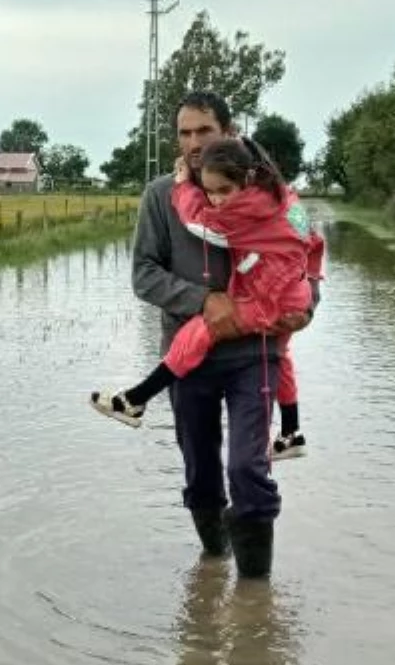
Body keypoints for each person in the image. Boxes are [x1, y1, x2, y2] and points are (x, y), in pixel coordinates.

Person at [122, 90, 321, 579]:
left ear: (228, 133)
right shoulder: (160, 196)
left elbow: (308, 253)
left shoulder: (280, 196)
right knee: (202, 472)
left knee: (247, 468)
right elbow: (144, 274)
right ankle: (213, 569)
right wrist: (204, 301)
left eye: (204, 131)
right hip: (189, 359)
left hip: (257, 352)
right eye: (185, 133)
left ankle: (256, 596)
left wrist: (309, 304)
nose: (193, 142)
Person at [90, 135, 325, 465]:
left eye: (222, 191)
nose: (215, 201)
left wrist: (185, 185)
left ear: (245, 178)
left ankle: (138, 398)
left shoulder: (244, 213)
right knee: (282, 354)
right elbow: (314, 243)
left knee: (201, 329)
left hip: (268, 299)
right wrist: (307, 294)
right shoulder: (285, 199)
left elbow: (198, 223)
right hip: (290, 294)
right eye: (209, 191)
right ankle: (291, 431)